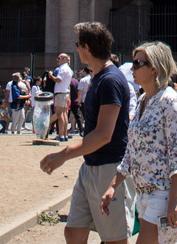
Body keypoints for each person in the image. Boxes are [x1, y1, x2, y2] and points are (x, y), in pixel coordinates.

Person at [40, 22, 134, 244]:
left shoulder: (110, 80)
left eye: (78, 44)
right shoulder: (98, 77)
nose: (76, 49)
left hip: (110, 166)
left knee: (114, 239)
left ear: (87, 47)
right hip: (91, 165)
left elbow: (104, 134)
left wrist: (63, 154)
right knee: (73, 232)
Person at [100, 42, 177, 244]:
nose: (132, 68)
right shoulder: (142, 102)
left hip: (165, 193)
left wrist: (173, 202)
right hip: (144, 194)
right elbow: (132, 151)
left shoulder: (171, 102)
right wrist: (113, 185)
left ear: (154, 68)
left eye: (138, 63)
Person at [54, 53, 74, 141]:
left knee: (60, 114)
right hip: (65, 92)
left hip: (60, 92)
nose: (57, 60)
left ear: (64, 59)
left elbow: (58, 80)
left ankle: (61, 135)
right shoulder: (69, 69)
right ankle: (65, 135)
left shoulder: (62, 68)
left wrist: (51, 76)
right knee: (65, 114)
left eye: (59, 58)